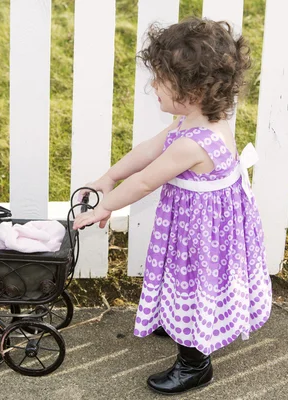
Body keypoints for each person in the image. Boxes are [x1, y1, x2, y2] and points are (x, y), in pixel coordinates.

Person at [72, 17, 272, 395]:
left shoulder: (193, 143)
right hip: (198, 223)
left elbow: (146, 180)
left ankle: (195, 363)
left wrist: (104, 207)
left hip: (200, 235)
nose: (153, 86)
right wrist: (108, 178)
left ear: (192, 90)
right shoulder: (194, 121)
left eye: (161, 80)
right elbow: (147, 151)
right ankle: (179, 321)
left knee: (192, 283)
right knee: (180, 281)